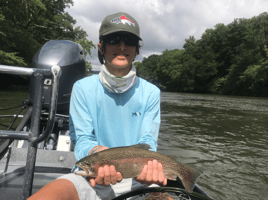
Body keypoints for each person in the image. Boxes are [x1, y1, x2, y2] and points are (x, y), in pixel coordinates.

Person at [28, 12, 166, 200]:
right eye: (114, 39)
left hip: (138, 176)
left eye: (129, 41)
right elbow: (82, 139)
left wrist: (151, 170)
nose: (122, 46)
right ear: (101, 47)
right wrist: (98, 154)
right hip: (92, 174)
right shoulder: (82, 88)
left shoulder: (151, 92)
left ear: (137, 50)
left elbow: (148, 142)